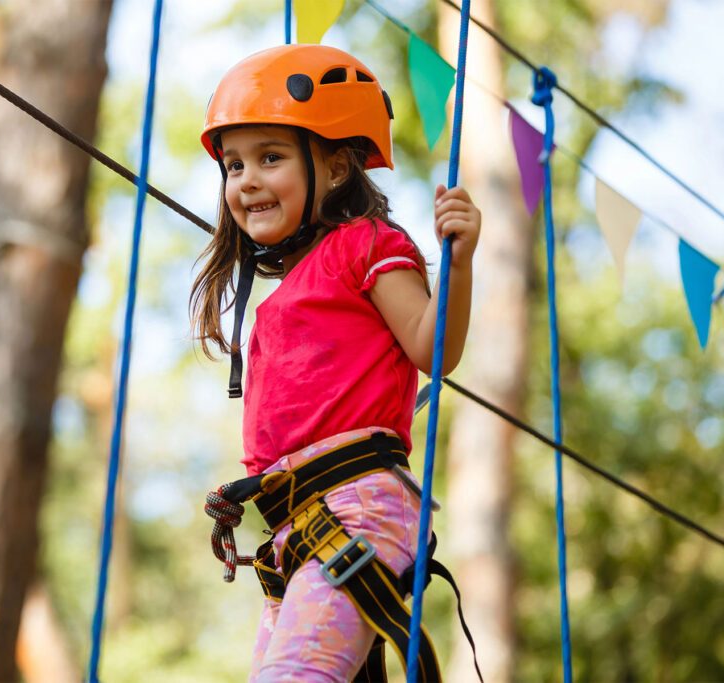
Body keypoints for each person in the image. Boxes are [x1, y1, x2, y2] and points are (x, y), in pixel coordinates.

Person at [194, 44, 481, 682]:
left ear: (339, 164)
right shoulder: (281, 296)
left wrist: (457, 263)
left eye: (271, 157)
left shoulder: (366, 246)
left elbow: (434, 349)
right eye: (234, 164)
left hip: (358, 505)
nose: (245, 180)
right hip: (295, 527)